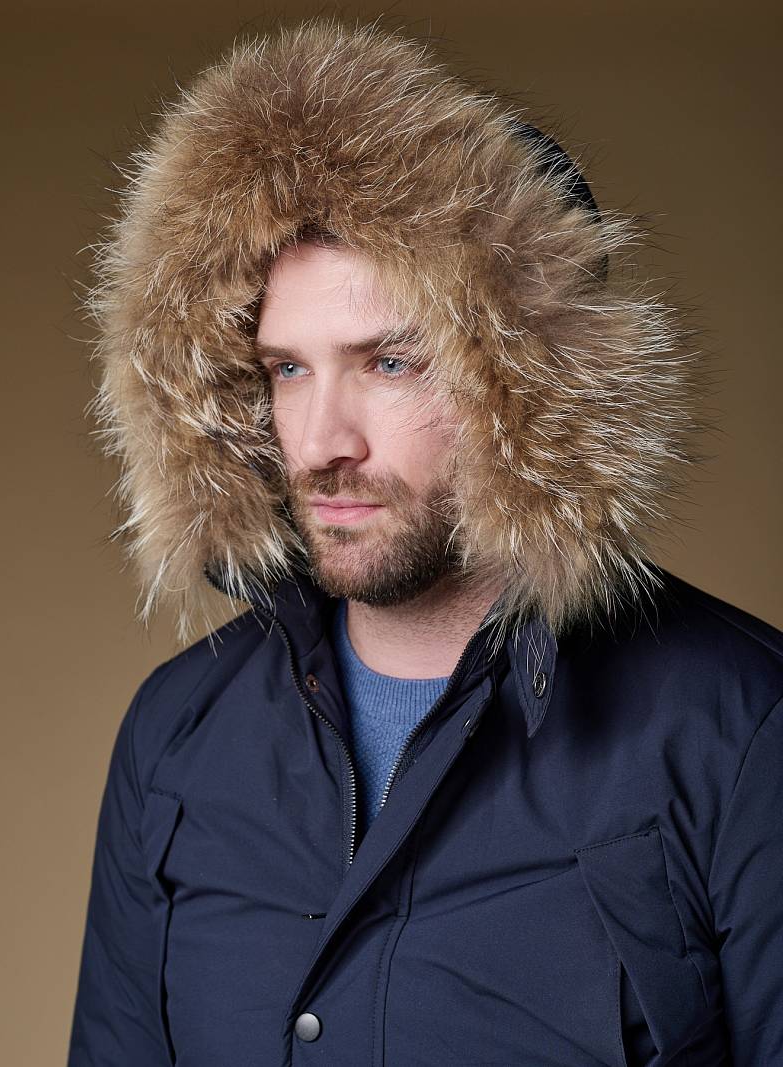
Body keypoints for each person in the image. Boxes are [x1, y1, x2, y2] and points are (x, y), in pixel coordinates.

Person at [67, 16, 783, 1067]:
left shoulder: (741, 728)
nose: (322, 443)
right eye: (287, 370)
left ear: (523, 385)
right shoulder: (175, 737)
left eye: (390, 363)